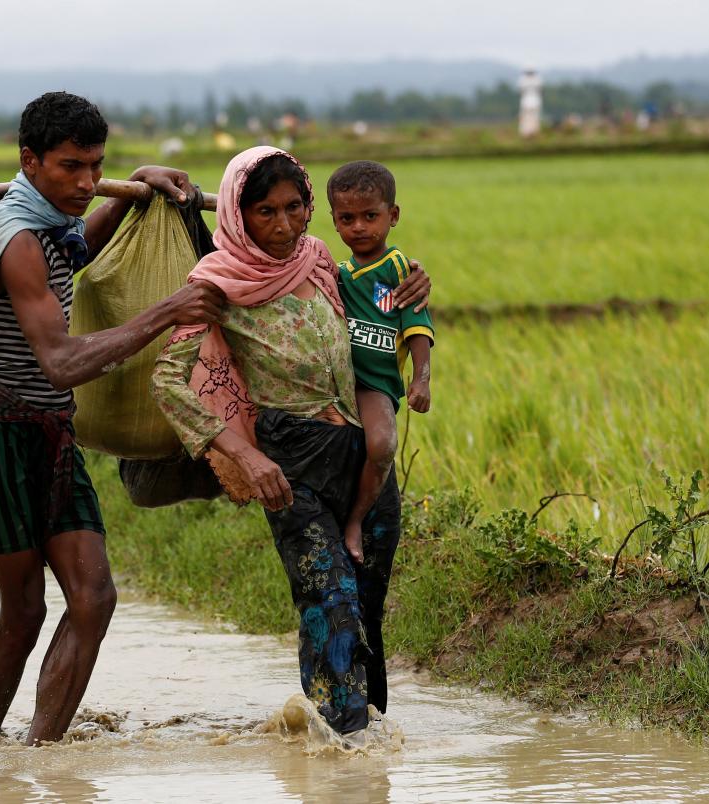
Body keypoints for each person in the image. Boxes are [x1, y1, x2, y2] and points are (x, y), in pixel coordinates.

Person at [0, 91, 223, 746]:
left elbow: (73, 251)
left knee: (93, 598)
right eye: (71, 167)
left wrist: (133, 191)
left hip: (49, 428)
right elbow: (63, 362)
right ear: (29, 160)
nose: (88, 183)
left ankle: (41, 760)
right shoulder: (15, 239)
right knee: (25, 610)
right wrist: (164, 312)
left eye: (97, 167)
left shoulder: (48, 224)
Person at [151, 146, 429, 735]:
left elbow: (383, 311)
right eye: (264, 212)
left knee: (369, 603)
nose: (283, 226)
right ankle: (340, 749)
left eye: (294, 207)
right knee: (331, 604)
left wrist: (411, 285)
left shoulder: (321, 260)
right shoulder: (216, 282)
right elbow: (167, 381)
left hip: (361, 456)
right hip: (290, 460)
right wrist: (244, 455)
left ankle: (366, 752)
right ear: (238, 215)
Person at [328, 161, 434, 565]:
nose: (359, 227)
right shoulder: (334, 273)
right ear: (334, 222)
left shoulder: (398, 271)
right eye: (347, 218)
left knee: (382, 443)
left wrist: (422, 379)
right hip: (333, 385)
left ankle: (355, 520)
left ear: (393, 216)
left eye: (370, 216)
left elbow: (417, 327)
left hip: (374, 385)